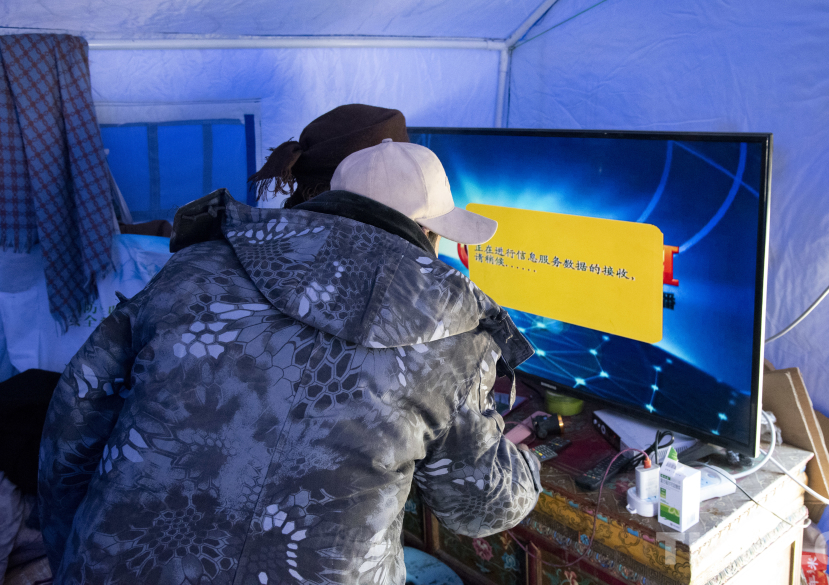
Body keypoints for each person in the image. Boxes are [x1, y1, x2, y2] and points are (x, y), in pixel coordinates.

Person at [38, 105, 541, 584]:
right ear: (428, 234)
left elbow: (72, 423)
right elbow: (482, 508)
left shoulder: (195, 268)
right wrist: (527, 464)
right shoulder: (454, 342)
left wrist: (70, 554)